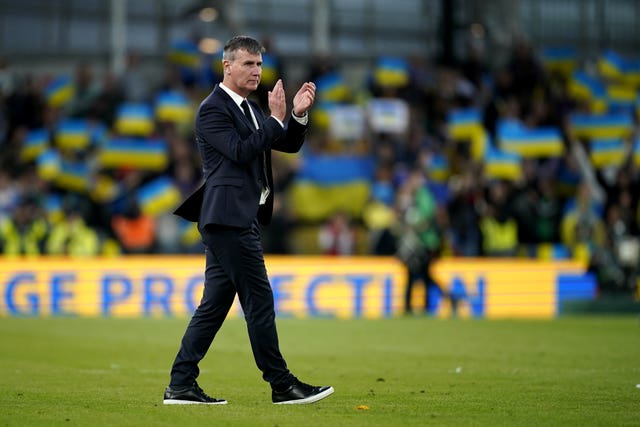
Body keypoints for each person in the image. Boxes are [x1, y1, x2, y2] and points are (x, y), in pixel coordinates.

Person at [164, 36, 333, 406]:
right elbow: (242, 151)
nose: (257, 71)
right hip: (227, 219)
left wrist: (298, 115)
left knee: (214, 306)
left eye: (259, 65)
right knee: (259, 299)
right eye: (248, 64)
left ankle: (180, 384)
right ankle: (281, 383)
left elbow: (284, 143)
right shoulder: (212, 109)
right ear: (227, 66)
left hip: (236, 217)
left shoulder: (251, 109)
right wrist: (274, 119)